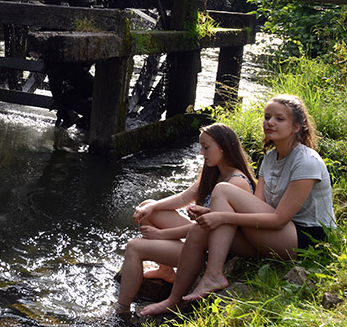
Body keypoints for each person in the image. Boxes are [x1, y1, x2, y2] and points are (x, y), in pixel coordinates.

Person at [140, 94, 337, 316]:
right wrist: (213, 212)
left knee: (223, 191)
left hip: (307, 239)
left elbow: (279, 219)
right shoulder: (271, 158)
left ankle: (214, 274)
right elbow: (257, 205)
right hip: (276, 233)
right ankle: (174, 300)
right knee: (199, 229)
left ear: (296, 127)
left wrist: (223, 216)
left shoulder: (306, 161)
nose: (270, 122)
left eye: (279, 119)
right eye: (267, 117)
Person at [115, 123, 256, 315]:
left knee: (134, 247)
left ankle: (121, 312)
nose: (201, 153)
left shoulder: (236, 182)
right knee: (149, 207)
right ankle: (165, 270)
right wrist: (152, 206)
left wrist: (161, 234)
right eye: (201, 147)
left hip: (209, 252)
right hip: (200, 238)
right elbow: (183, 198)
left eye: (206, 147)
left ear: (223, 147)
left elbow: (205, 229)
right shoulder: (215, 173)